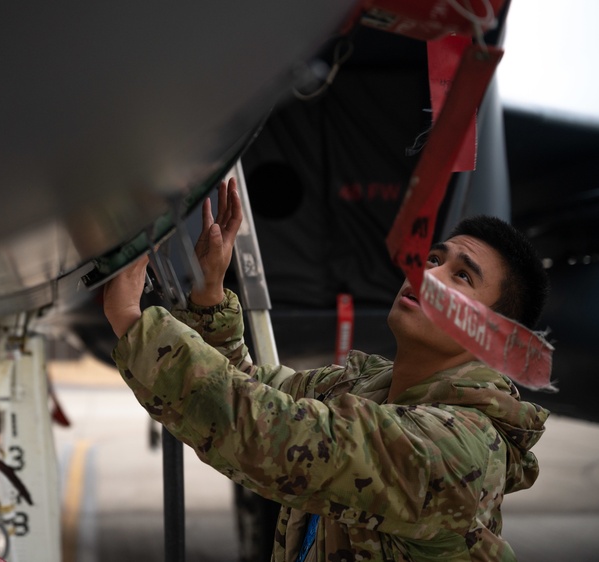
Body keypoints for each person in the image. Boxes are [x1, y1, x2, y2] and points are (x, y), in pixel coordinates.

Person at [102, 177, 550, 561]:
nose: (427, 275)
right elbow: (254, 389)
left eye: (462, 277)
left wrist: (132, 321)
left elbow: (275, 435)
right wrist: (211, 295)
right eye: (433, 259)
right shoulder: (367, 385)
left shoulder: (458, 450)